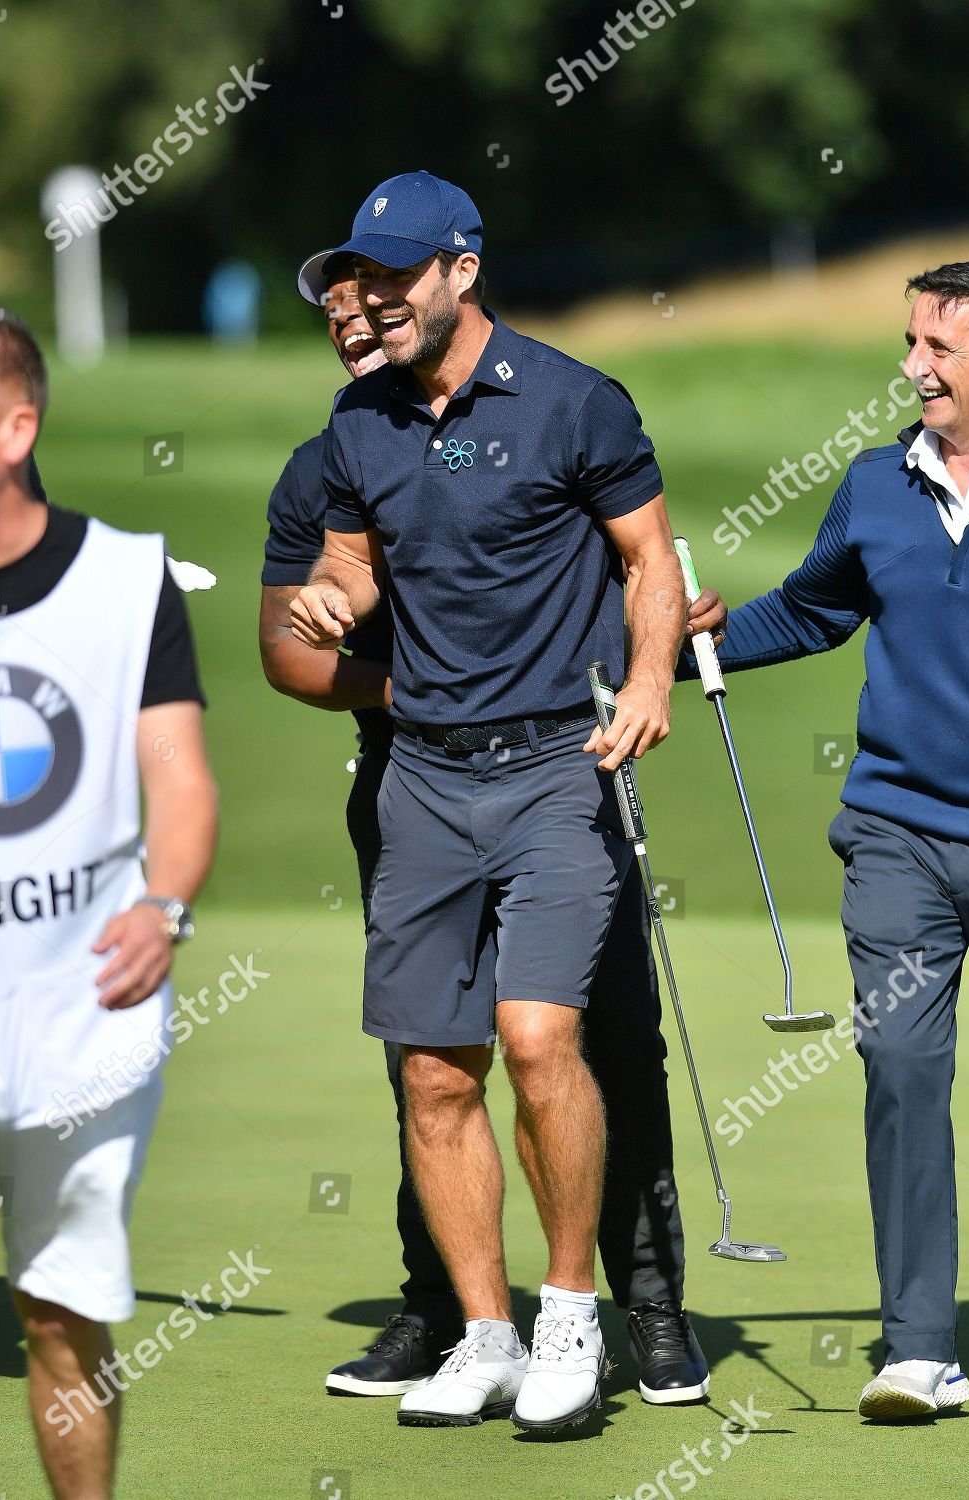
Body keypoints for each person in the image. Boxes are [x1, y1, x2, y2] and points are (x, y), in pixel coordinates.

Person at [261, 249, 723, 1407]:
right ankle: (479, 1329)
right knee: (431, 1069)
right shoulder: (354, 421)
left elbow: (646, 559)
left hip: (558, 763)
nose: (365, 309)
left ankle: (582, 1313)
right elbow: (350, 566)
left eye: (387, 282)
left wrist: (654, 675)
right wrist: (332, 594)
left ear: (459, 268)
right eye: (346, 294)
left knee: (546, 1038)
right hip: (419, 777)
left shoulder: (572, 398)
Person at [685, 260, 969, 1423]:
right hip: (897, 839)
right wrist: (677, 643)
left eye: (937, 347)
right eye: (910, 339)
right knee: (903, 1074)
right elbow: (810, 607)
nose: (910, 364)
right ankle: (919, 1348)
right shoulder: (878, 484)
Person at [0, 313, 218, 1498]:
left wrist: (164, 907)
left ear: (15, 426)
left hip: (82, 1012)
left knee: (59, 1313)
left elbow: (177, 777)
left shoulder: (127, 582)